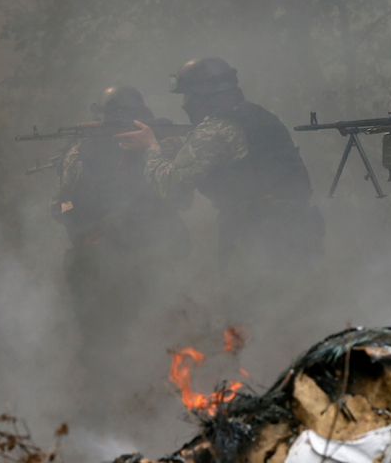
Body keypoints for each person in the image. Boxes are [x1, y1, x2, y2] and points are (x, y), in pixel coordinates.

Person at [117, 58, 324, 278]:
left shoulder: (216, 127)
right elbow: (233, 163)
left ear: (204, 95)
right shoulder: (256, 115)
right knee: (293, 304)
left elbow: (171, 186)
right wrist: (180, 150)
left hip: (256, 239)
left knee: (249, 307)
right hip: (294, 233)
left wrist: (150, 147)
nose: (182, 103)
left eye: (187, 95)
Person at [51, 85, 190, 310]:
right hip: (106, 254)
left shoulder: (158, 148)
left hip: (144, 253)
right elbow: (62, 205)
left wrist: (168, 150)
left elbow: (181, 197)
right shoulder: (83, 152)